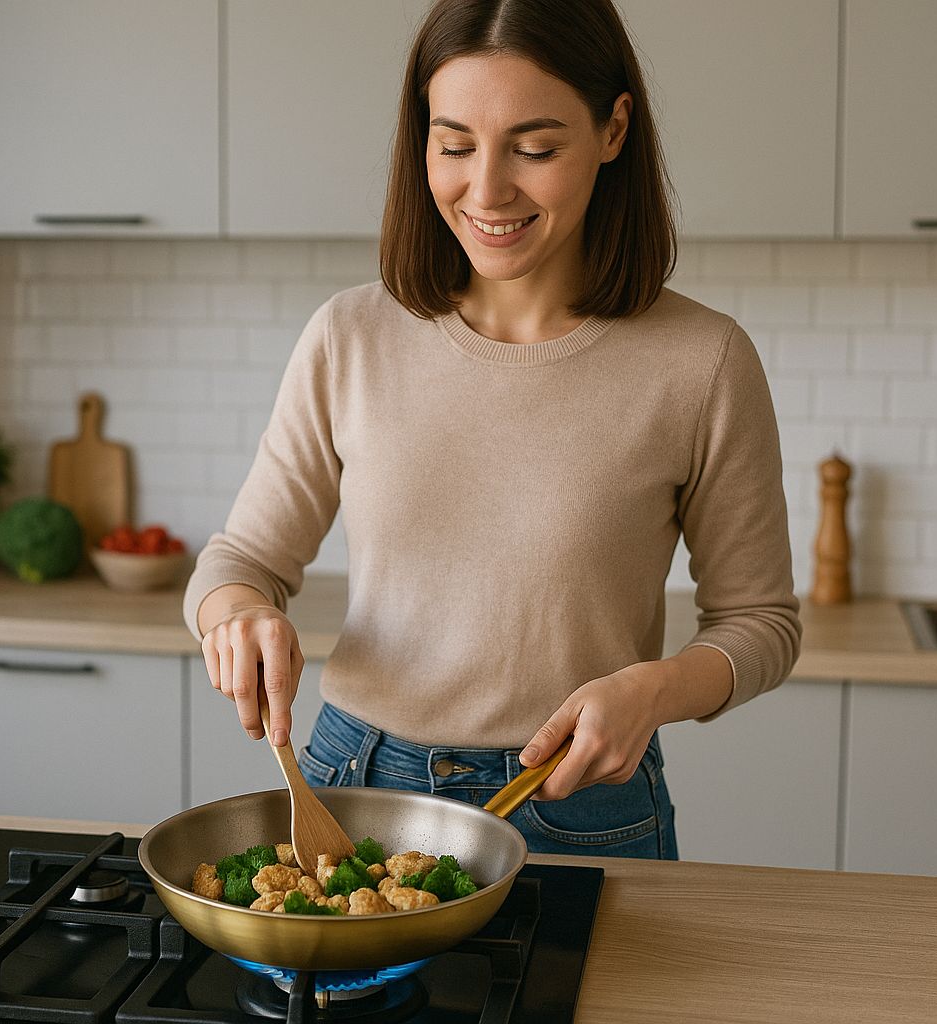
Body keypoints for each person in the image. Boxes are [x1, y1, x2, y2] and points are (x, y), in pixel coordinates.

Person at [183, 0, 802, 858]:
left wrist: (651, 690)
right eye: (454, 145)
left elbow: (760, 622)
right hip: (351, 784)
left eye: (535, 149)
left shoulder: (703, 361)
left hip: (575, 805)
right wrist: (236, 615)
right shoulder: (350, 335)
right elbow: (240, 563)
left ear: (614, 128)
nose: (487, 190)